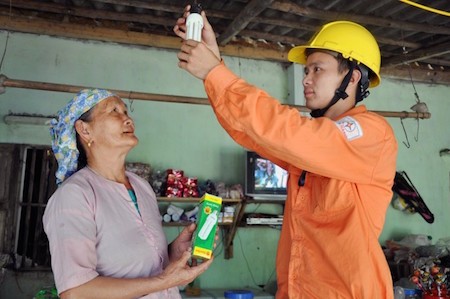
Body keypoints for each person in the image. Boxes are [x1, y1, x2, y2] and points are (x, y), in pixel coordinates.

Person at [174, 7, 398, 299]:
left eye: (317, 69)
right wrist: (213, 67)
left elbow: (288, 132)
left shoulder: (371, 133)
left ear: (353, 78)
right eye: (306, 70)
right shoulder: (314, 144)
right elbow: (252, 132)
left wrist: (216, 72)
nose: (306, 79)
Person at [43, 88, 212, 299]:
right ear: (85, 130)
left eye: (126, 111)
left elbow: (141, 266)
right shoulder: (74, 195)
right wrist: (164, 281)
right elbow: (75, 292)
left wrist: (175, 251)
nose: (128, 119)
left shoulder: (142, 187)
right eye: (114, 111)